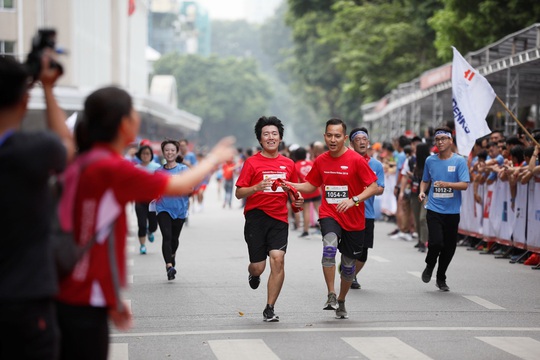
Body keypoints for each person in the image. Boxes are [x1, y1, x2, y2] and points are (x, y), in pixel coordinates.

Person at [56, 86, 236, 360]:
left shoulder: (80, 164)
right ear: (125, 124)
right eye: (133, 113)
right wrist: (214, 158)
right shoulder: (111, 168)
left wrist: (113, 299)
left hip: (68, 290)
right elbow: (180, 184)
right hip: (84, 298)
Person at [0, 53, 75, 360]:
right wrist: (48, 87)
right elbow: (67, 148)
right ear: (24, 99)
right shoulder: (35, 151)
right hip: (27, 297)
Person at [290, 118, 378, 319]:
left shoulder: (356, 159)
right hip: (330, 214)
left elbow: (373, 186)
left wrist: (354, 200)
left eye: (337, 136)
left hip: (354, 220)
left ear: (345, 138)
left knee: (348, 267)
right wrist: (289, 184)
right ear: (324, 136)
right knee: (329, 249)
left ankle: (341, 300)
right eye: (329, 135)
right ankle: (330, 294)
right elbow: (311, 185)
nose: (333, 139)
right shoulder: (321, 160)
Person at [235, 116, 303, 322]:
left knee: (278, 259)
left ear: (280, 137)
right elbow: (239, 193)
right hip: (256, 218)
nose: (271, 137)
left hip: (279, 219)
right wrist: (256, 188)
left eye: (274, 134)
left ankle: (269, 307)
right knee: (258, 266)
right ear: (260, 139)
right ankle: (253, 274)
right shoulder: (252, 162)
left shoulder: (289, 164)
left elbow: (295, 192)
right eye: (266, 134)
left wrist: (296, 202)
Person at [418, 126, 469, 292]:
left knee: (449, 247)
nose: (440, 142)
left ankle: (441, 277)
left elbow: (464, 185)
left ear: (450, 141)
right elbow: (425, 180)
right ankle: (430, 264)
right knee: (436, 242)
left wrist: (448, 184)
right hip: (434, 208)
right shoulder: (430, 160)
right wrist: (421, 191)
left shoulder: (459, 161)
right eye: (437, 139)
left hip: (452, 212)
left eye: (443, 139)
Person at [348, 127, 385, 289]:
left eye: (365, 139)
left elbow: (381, 188)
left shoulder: (376, 165)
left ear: (368, 143)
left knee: (363, 253)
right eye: (358, 139)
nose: (362, 142)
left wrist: (367, 190)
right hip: (348, 213)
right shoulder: (347, 161)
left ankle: (352, 274)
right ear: (351, 143)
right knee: (348, 248)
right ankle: (348, 271)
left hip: (367, 214)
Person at [155, 140, 190, 281]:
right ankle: (169, 266)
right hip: (163, 208)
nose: (169, 153)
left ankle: (172, 256)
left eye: (172, 150)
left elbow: (190, 188)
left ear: (177, 152)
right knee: (167, 236)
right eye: (167, 150)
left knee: (174, 239)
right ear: (163, 153)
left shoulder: (183, 170)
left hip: (180, 209)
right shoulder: (158, 171)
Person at [134, 145, 161, 254]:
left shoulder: (157, 167)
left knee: (154, 225)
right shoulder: (135, 168)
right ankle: (142, 246)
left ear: (151, 155)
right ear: (140, 155)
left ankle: (150, 231)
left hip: (153, 201)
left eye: (148, 154)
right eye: (143, 153)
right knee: (141, 224)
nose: (145, 156)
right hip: (140, 201)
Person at [294, 146, 321, 237]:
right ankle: (324, 228)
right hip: (315, 189)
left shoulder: (295, 166)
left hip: (305, 191)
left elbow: (296, 181)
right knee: (318, 209)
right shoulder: (311, 163)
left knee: (306, 211)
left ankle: (305, 230)